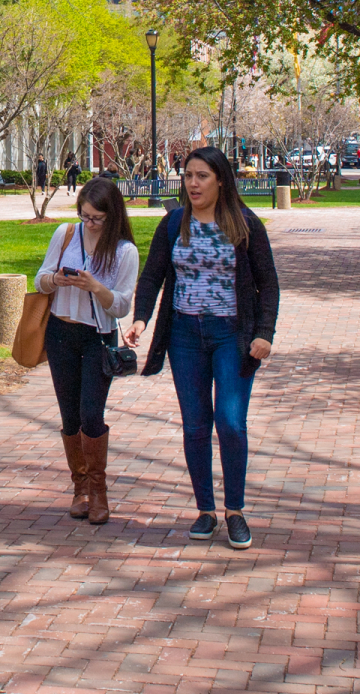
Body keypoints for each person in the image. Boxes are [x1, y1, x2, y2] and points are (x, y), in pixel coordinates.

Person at [126, 145, 280, 551]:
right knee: (195, 425)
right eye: (188, 175)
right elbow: (152, 274)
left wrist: (265, 333)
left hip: (232, 335)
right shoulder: (175, 222)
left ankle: (236, 512)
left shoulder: (246, 224)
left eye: (202, 176)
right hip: (184, 336)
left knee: (230, 423)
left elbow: (269, 284)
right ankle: (206, 511)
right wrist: (141, 317)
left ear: (221, 180)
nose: (192, 183)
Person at [33, 177, 138, 524]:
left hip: (98, 337)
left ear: (112, 216)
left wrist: (95, 287)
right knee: (69, 415)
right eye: (85, 216)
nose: (89, 223)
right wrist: (57, 279)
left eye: (97, 218)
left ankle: (99, 490)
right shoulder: (65, 234)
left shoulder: (124, 251)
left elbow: (121, 306)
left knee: (91, 413)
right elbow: (41, 278)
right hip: (61, 332)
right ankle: (79, 487)